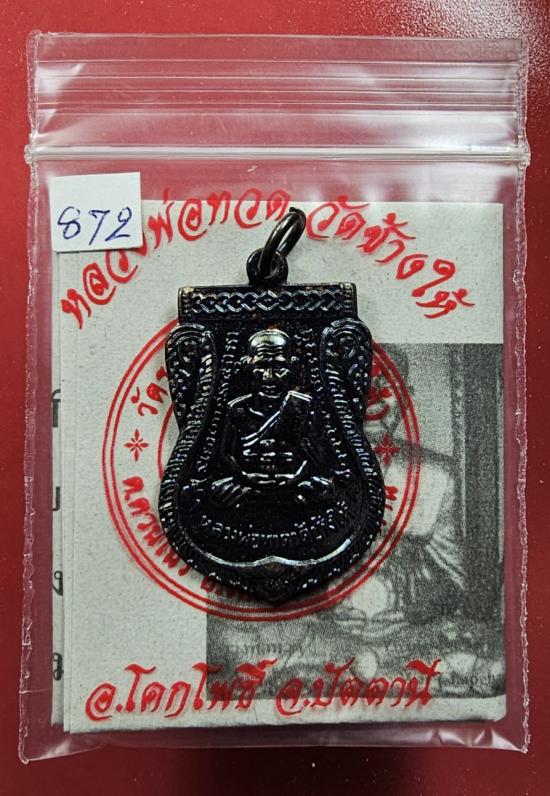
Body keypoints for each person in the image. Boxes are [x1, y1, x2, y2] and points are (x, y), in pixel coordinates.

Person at [210, 328, 334, 508]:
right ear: (247, 366)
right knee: (216, 491)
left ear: (293, 366)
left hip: (292, 481)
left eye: (279, 367)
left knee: (324, 490)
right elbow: (226, 454)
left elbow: (315, 457)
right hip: (250, 480)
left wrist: (294, 478)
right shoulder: (237, 409)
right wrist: (246, 476)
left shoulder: (302, 406)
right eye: (260, 367)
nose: (269, 377)